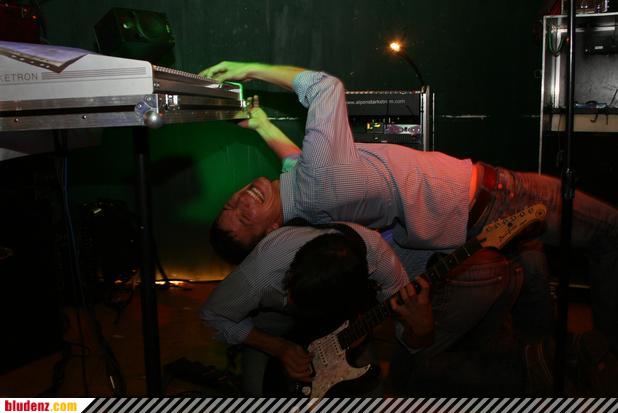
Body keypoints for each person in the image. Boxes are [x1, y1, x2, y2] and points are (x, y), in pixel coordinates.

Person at [200, 61, 618, 354]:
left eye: (230, 203)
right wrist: (249, 69)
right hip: (495, 198)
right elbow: (326, 86)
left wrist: (263, 126)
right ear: (271, 232)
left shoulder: (306, 204)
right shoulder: (317, 181)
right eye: (243, 217)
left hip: (469, 219)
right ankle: (607, 353)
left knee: (531, 280)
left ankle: (541, 362)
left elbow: (299, 165)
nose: (240, 200)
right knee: (610, 230)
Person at [200, 221, 433, 396]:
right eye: (289, 292)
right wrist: (278, 347)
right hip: (272, 330)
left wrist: (422, 332)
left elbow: (407, 338)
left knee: (371, 394)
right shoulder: (263, 269)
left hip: (340, 336)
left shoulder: (381, 263)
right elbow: (213, 315)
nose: (290, 301)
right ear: (293, 268)